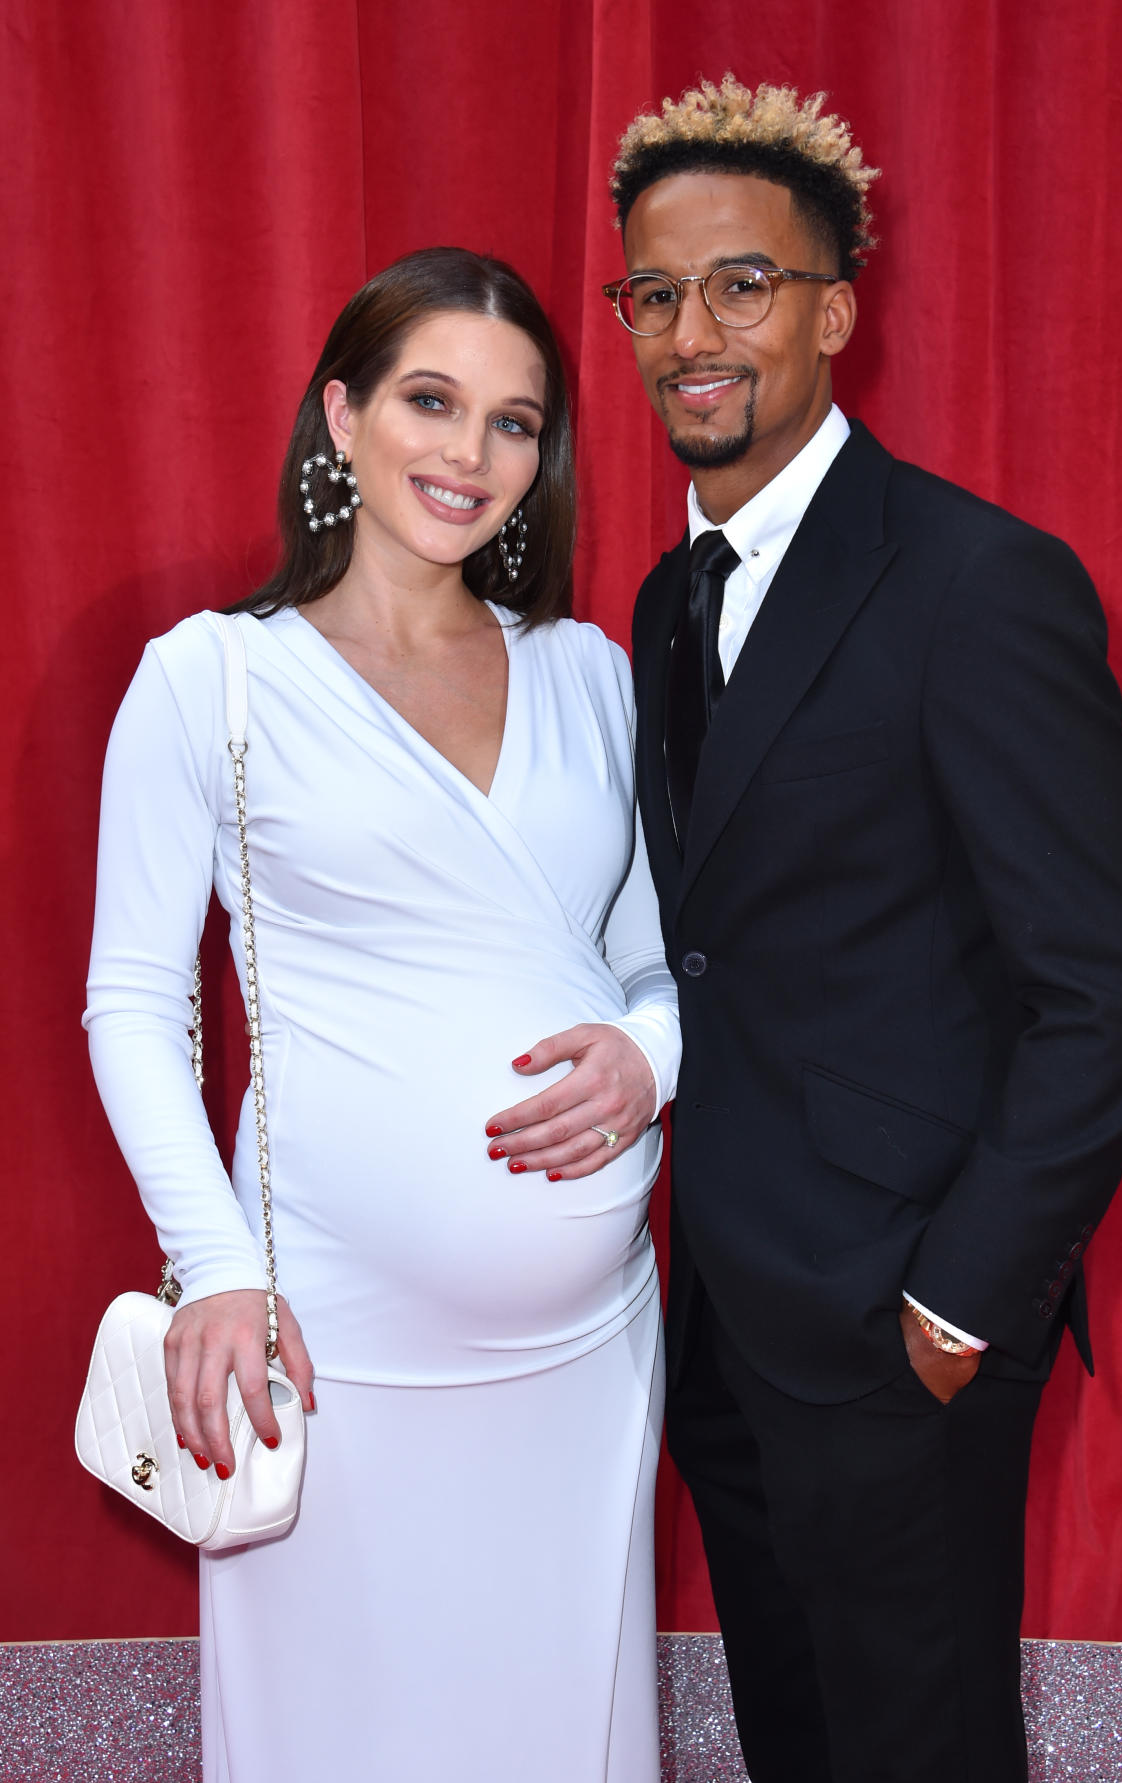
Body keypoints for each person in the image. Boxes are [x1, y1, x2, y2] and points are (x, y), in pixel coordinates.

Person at [605, 75, 1122, 1783]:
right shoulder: (658, 598)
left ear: (833, 310)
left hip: (898, 1323)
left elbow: (1110, 987)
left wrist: (958, 1304)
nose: (691, 332)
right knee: (799, 1737)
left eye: (741, 284)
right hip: (720, 1308)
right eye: (655, 292)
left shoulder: (972, 581)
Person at [84, 247, 679, 1783]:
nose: (468, 456)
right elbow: (134, 1002)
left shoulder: (591, 678)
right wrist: (214, 1266)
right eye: (430, 401)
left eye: (514, 422)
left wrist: (650, 1057)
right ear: (339, 415)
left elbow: (660, 971)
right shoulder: (208, 682)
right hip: (329, 1346)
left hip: (586, 1361)